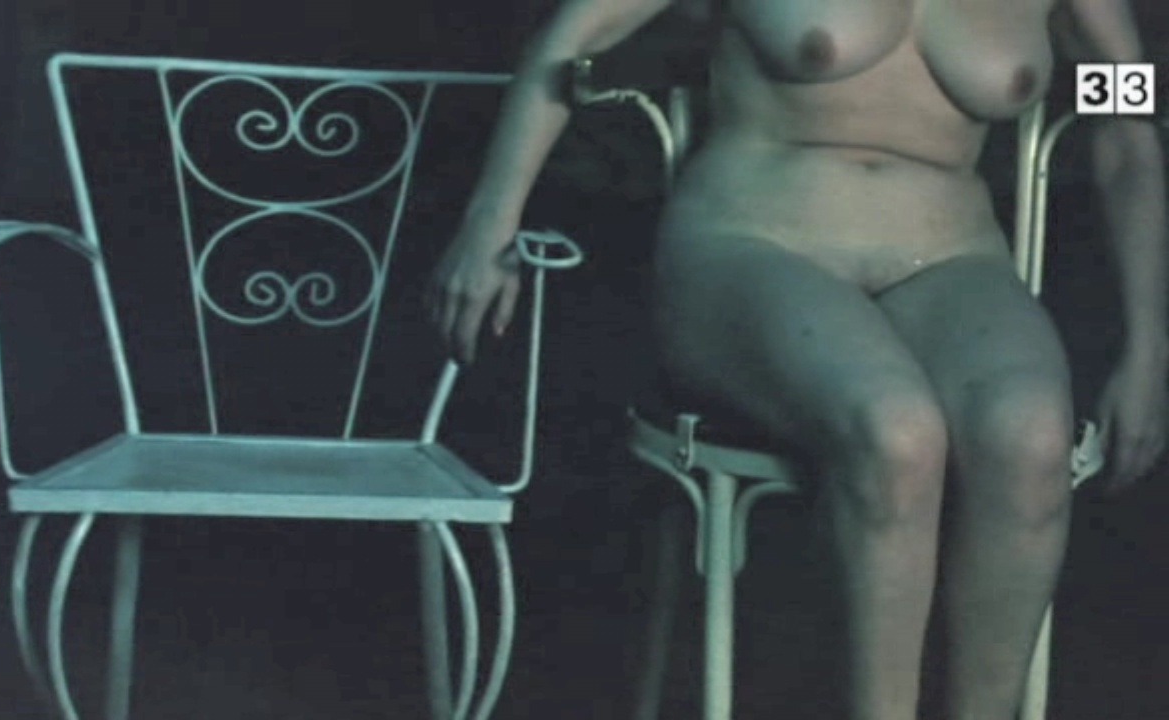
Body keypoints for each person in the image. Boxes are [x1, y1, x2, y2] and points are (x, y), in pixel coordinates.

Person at [426, 1, 1167, 718]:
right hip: (751, 246)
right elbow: (573, 36)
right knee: (895, 430)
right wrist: (490, 224)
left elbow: (1126, 127)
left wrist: (1149, 347)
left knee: (1029, 435)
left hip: (950, 260)